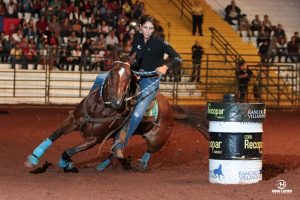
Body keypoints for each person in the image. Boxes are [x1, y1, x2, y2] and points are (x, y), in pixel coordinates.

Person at [90, 15, 182, 159]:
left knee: (138, 114)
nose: (148, 31)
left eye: (151, 28)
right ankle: (91, 108)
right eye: (145, 28)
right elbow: (136, 58)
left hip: (150, 81)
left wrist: (166, 66)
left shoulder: (159, 42)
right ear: (140, 27)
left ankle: (120, 145)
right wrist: (128, 66)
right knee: (101, 77)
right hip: (136, 75)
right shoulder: (138, 38)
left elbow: (178, 58)